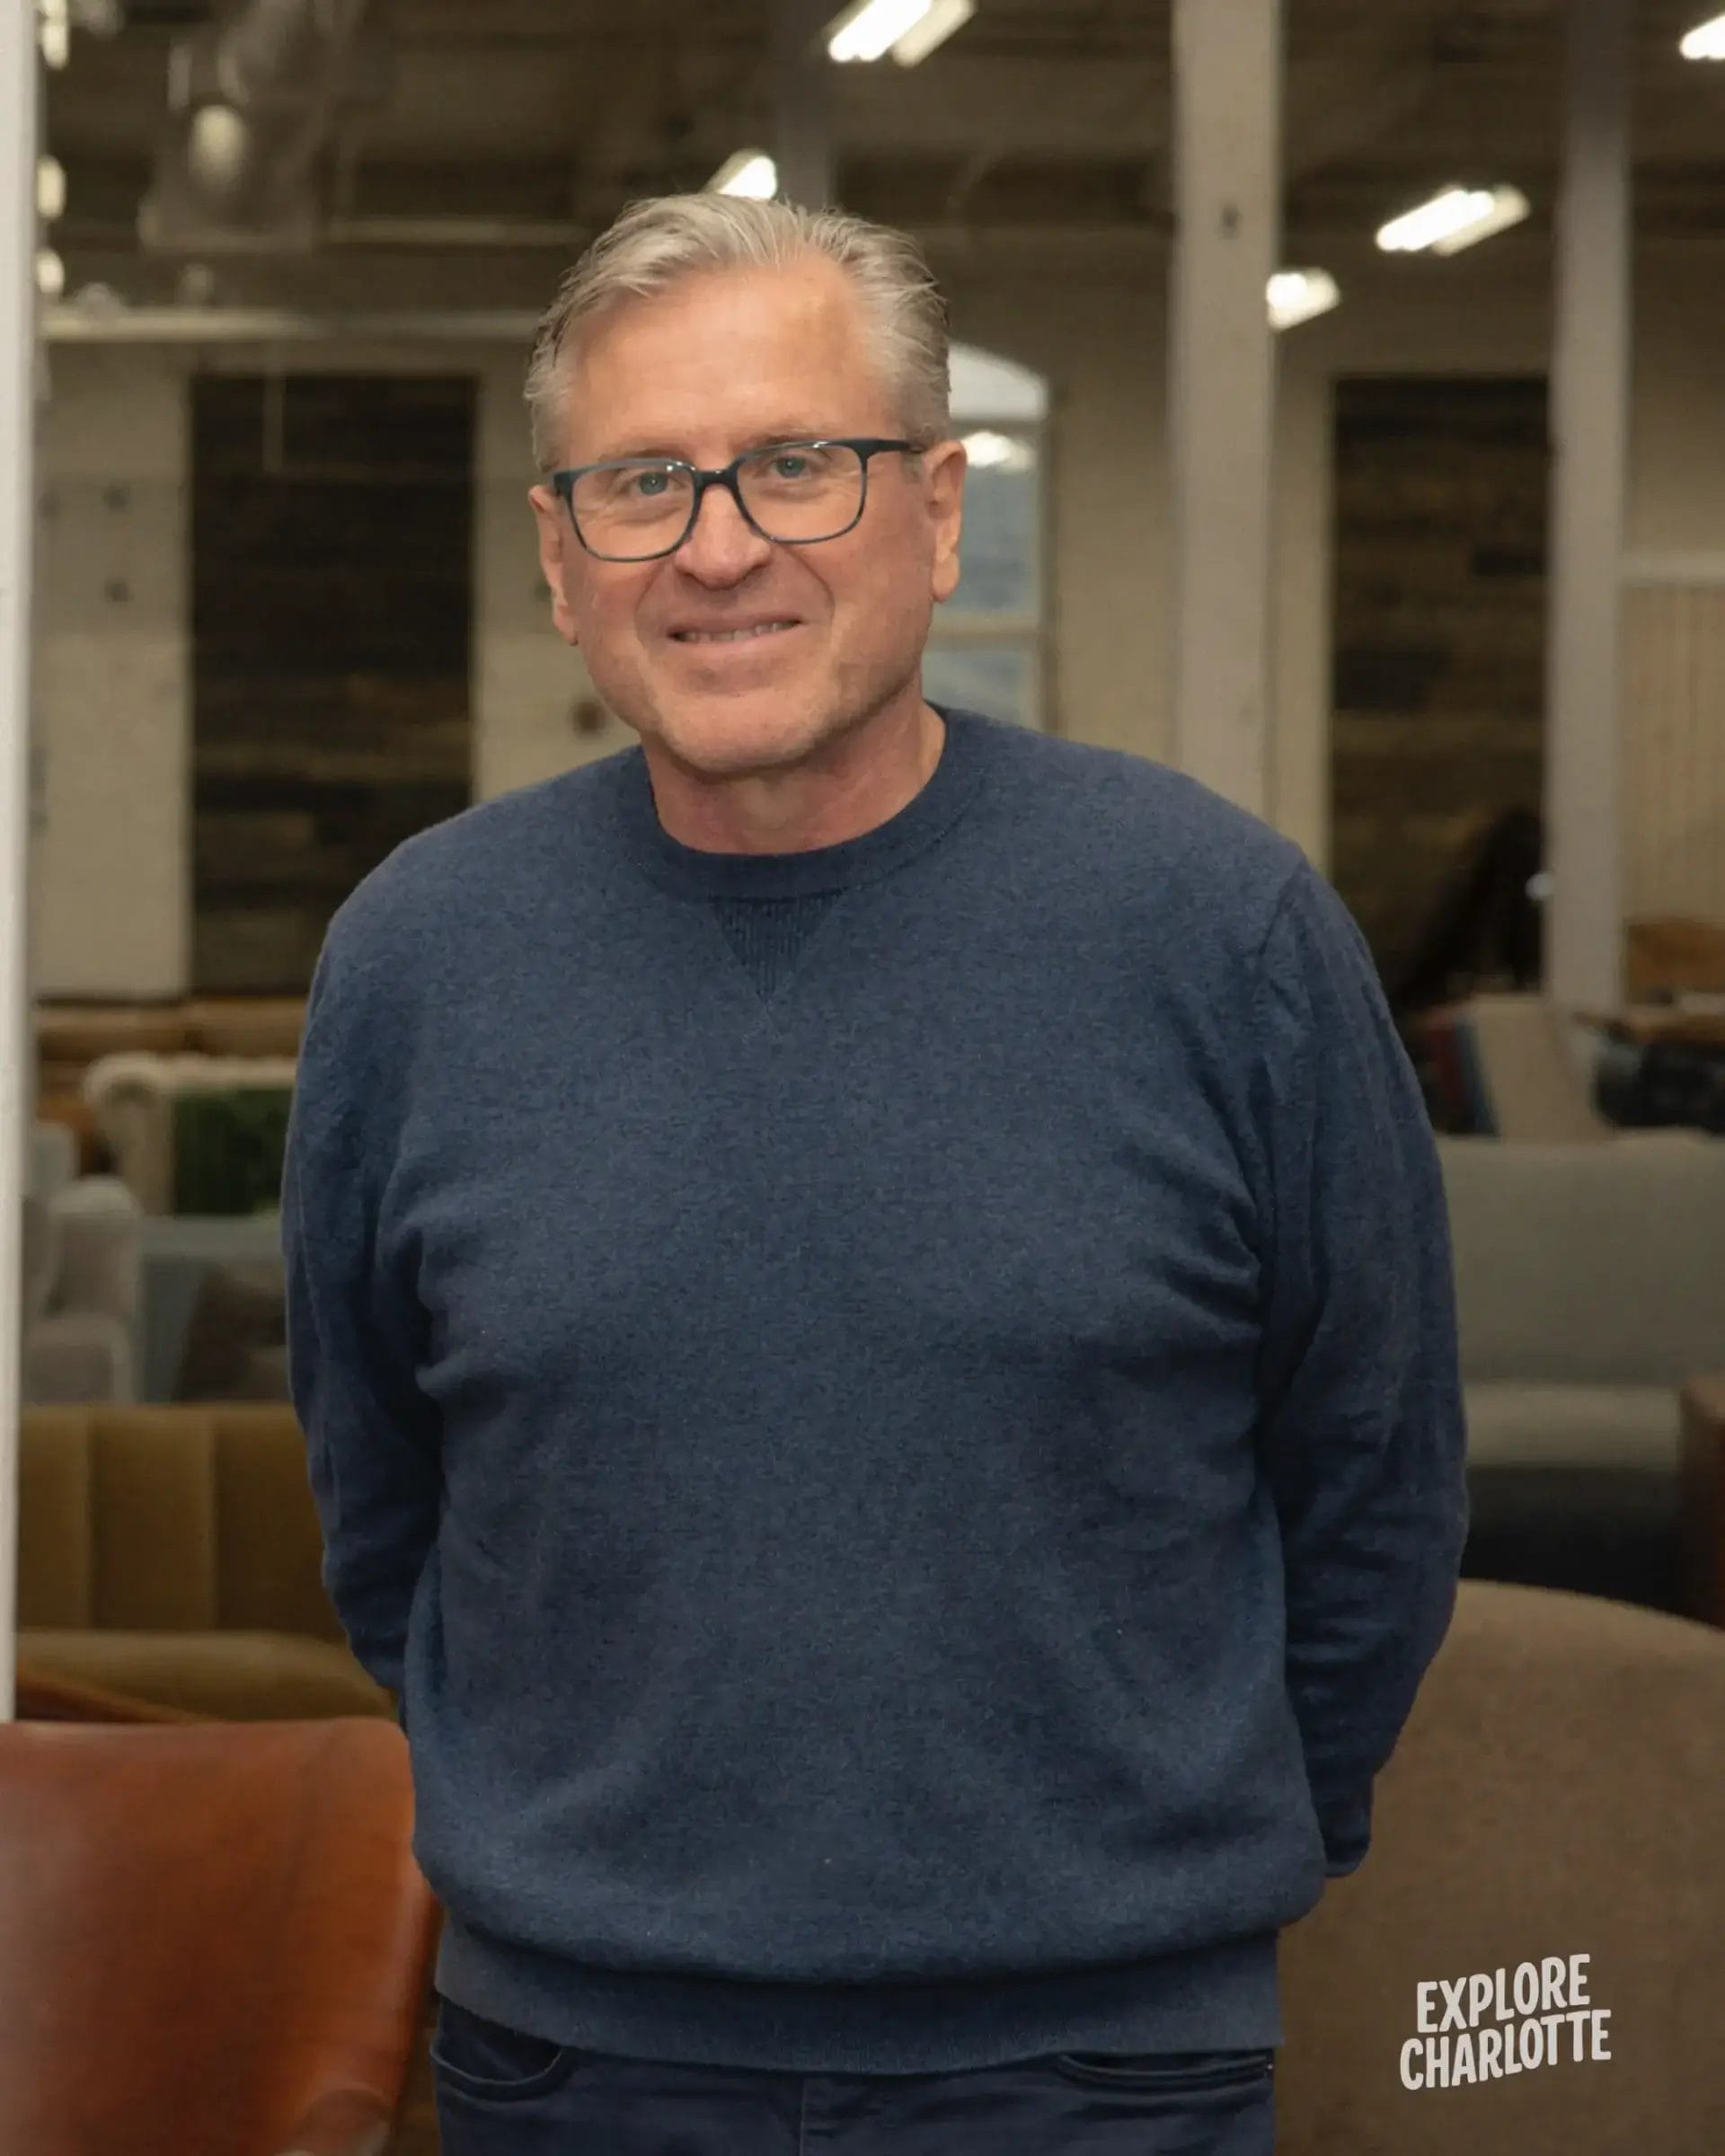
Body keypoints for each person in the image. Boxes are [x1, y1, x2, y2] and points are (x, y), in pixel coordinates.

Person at [281, 192, 1469, 2156]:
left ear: (934, 508)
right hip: (576, 2067)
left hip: (1106, 2072)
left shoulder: (1219, 932)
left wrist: (1162, 1885)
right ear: (561, 561)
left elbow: (1378, 1482)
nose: (720, 544)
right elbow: (380, 1503)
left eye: (797, 467)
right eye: (643, 483)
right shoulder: (420, 960)